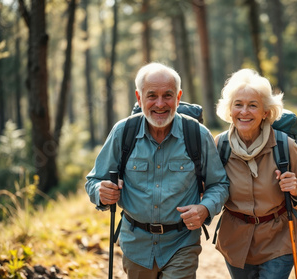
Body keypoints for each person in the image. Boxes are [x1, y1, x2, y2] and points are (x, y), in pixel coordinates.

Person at [85, 62, 229, 279]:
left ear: (178, 97)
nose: (160, 104)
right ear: (139, 97)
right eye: (152, 95)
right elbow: (94, 180)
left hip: (182, 243)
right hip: (135, 247)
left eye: (168, 95)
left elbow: (219, 184)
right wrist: (101, 192)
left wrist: (205, 209)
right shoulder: (123, 132)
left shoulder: (197, 134)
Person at [214, 69, 297, 278]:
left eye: (253, 105)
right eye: (238, 104)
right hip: (235, 242)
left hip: (279, 240)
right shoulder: (220, 145)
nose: (244, 111)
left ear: (265, 112)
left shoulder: (284, 145)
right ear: (230, 109)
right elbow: (207, 187)